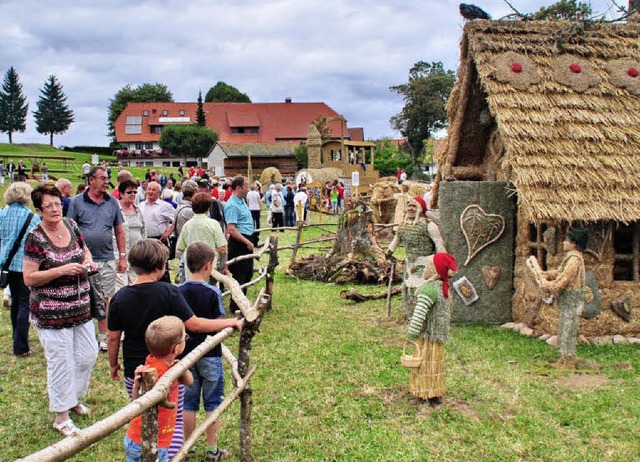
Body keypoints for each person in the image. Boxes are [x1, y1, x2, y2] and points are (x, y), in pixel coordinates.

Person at [107, 239, 242, 459]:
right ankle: (168, 453)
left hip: (136, 369)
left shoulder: (120, 297)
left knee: (141, 412)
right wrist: (228, 322)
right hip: (168, 370)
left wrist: (113, 364)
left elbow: (113, 338)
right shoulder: (168, 292)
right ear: (160, 268)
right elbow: (194, 324)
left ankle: (144, 451)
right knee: (170, 416)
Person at [22, 185, 99, 436]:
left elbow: (84, 250)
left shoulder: (71, 225)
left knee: (88, 354)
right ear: (38, 211)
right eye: (49, 206)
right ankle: (61, 416)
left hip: (80, 307)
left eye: (57, 203)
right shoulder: (35, 237)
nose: (55, 209)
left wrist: (87, 261)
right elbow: (29, 278)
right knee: (61, 362)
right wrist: (62, 270)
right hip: (51, 313)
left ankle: (73, 398)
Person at [179, 243, 239, 461]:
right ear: (208, 266)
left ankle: (189, 445)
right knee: (212, 402)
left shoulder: (178, 291)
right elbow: (218, 322)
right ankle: (212, 449)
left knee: (189, 402)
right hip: (211, 355)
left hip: (185, 355)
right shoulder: (213, 292)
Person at [68, 166, 127, 352]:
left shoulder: (112, 202)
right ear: (91, 180)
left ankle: (103, 337)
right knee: (81, 297)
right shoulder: (76, 202)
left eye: (107, 178)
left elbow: (119, 230)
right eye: (102, 178)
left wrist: (122, 257)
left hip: (107, 257)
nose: (105, 181)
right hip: (82, 260)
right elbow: (69, 230)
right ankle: (80, 335)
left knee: (105, 298)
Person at [123, 316, 194, 462]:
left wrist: (180, 367)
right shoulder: (152, 372)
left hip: (144, 437)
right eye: (184, 337)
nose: (186, 339)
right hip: (150, 440)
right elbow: (138, 401)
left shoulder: (160, 364)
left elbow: (189, 381)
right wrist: (137, 384)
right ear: (176, 348)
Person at [407, 253, 458, 406]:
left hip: (428, 336)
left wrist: (412, 333)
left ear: (435, 271)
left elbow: (419, 313)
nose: (424, 269)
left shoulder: (429, 290)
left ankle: (424, 391)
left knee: (426, 363)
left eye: (428, 266)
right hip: (439, 337)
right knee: (436, 364)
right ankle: (434, 391)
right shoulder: (444, 290)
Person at [387, 197, 447, 319]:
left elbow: (438, 242)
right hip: (410, 263)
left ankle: (424, 314)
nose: (410, 208)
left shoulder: (429, 225)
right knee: (409, 287)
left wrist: (443, 259)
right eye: (409, 205)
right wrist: (389, 252)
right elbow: (396, 240)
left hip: (426, 264)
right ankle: (409, 312)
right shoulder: (403, 226)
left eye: (413, 206)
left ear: (420, 208)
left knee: (423, 287)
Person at [0, 182, 41, 357]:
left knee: (16, 302)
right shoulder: (32, 218)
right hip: (25, 265)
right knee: (26, 304)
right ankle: (21, 345)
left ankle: (17, 336)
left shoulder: (2, 213)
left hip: (6, 265)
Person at [542, 228, 588, 369]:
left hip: (571, 299)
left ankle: (569, 360)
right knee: (564, 327)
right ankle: (563, 358)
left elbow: (565, 279)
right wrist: (547, 274)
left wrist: (549, 285)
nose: (563, 242)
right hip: (567, 299)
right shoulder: (571, 258)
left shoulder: (574, 260)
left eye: (567, 240)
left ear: (574, 243)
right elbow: (561, 272)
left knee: (568, 329)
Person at [176, 192, 227, 283]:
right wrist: (222, 267)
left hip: (191, 271)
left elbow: (181, 248)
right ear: (208, 207)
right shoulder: (213, 224)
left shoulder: (187, 225)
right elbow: (222, 248)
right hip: (210, 269)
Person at [224, 175, 256, 313]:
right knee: (240, 274)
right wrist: (247, 241)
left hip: (246, 240)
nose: (248, 189)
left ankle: (242, 301)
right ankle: (236, 306)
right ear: (238, 188)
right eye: (246, 186)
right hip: (239, 244)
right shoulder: (232, 205)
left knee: (247, 273)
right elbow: (231, 229)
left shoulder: (242, 201)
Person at [114, 179, 147, 292]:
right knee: (121, 289)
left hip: (137, 256)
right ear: (121, 194)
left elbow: (143, 231)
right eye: (129, 192)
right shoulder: (115, 210)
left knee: (137, 288)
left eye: (134, 192)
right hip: (120, 257)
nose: (132, 194)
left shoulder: (138, 209)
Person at [139, 181, 175, 282]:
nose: (150, 192)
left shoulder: (165, 206)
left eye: (153, 190)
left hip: (158, 240)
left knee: (160, 269)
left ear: (159, 193)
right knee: (146, 269)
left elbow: (175, 220)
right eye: (149, 189)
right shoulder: (141, 205)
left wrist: (168, 232)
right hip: (145, 241)